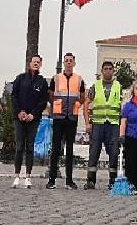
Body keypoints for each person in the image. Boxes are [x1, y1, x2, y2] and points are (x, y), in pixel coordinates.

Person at [47, 52, 85, 190]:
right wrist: (56, 105)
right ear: (64, 63)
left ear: (74, 63)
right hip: (59, 117)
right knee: (55, 149)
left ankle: (69, 180)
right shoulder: (56, 78)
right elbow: (50, 95)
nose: (68, 63)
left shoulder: (79, 79)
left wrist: (77, 105)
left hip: (72, 117)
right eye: (66, 61)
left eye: (70, 61)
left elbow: (82, 97)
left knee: (70, 150)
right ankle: (51, 180)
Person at [11, 54, 49, 188]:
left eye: (38, 62)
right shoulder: (20, 78)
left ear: (40, 65)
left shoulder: (42, 82)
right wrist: (20, 112)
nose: (36, 64)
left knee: (30, 147)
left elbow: (43, 101)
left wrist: (33, 114)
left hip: (33, 119)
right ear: (30, 63)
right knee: (20, 146)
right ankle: (16, 176)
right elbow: (14, 96)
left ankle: (28, 176)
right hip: (19, 118)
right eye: (34, 62)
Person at [83, 61, 122, 190]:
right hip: (98, 124)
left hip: (113, 124)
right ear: (102, 71)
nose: (108, 71)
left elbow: (123, 106)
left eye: (110, 69)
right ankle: (90, 180)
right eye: (105, 69)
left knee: (114, 152)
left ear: (113, 71)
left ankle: (112, 180)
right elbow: (86, 103)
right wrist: (88, 122)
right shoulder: (96, 86)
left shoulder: (118, 86)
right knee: (94, 152)